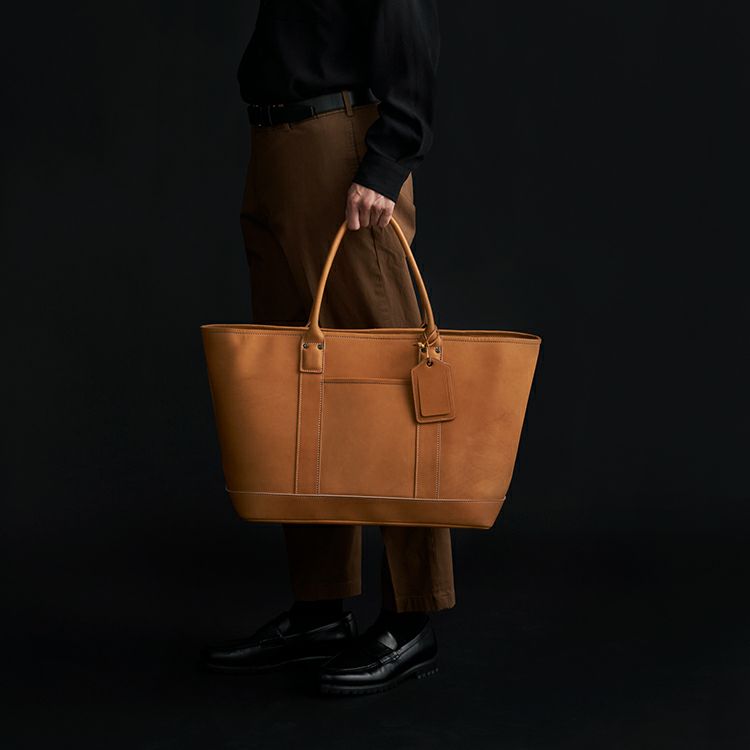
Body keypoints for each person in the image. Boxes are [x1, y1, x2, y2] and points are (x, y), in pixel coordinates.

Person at [201, 0, 452, 696]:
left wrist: (386, 161)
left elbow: (407, 27)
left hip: (340, 151)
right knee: (299, 388)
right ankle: (320, 608)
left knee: (394, 386)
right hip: (274, 146)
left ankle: (411, 618)